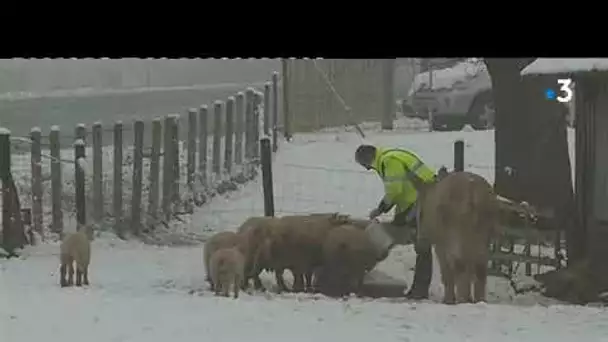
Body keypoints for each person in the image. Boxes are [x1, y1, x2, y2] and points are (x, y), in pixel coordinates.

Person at [354, 144, 437, 300]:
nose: (367, 169)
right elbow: (404, 190)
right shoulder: (390, 156)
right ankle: (419, 289)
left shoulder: (389, 161)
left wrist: (380, 209)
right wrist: (399, 215)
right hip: (421, 197)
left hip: (422, 199)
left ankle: (420, 290)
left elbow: (395, 190)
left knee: (422, 246)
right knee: (419, 244)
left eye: (365, 165)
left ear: (367, 159)